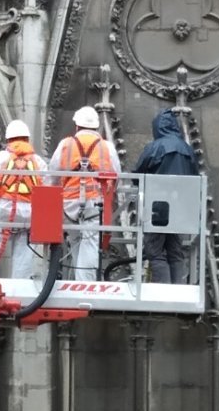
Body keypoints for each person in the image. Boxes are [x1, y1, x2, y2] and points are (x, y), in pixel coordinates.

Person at [50, 106, 120, 281]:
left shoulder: (65, 144)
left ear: (77, 126)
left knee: (74, 241)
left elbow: (52, 174)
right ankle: (84, 285)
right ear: (97, 127)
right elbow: (116, 174)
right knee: (90, 242)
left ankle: (76, 281)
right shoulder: (106, 147)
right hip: (93, 203)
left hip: (68, 203)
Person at [134, 108, 199, 284]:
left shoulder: (156, 146)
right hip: (180, 208)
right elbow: (195, 176)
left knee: (155, 251)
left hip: (158, 206)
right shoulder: (187, 149)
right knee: (175, 251)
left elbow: (138, 174)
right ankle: (177, 289)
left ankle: (163, 290)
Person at [0, 120, 47, 279]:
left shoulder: (1, 157)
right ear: (27, 139)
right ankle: (20, 286)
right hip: (29, 213)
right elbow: (47, 188)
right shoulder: (38, 161)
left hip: (4, 210)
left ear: (8, 139)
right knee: (24, 252)